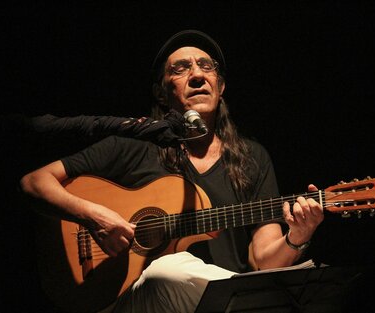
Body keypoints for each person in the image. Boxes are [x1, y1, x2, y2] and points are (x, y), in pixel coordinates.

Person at [20, 29, 324, 313]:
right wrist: (94, 217)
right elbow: (34, 182)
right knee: (168, 271)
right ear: (162, 92)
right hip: (136, 300)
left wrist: (297, 237)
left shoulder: (252, 158)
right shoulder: (132, 147)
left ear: (221, 85)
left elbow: (263, 261)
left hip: (221, 303)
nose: (197, 75)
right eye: (180, 69)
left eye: (207, 66)